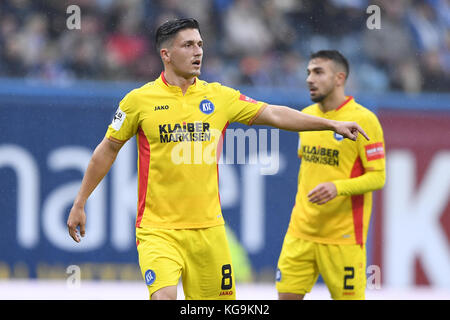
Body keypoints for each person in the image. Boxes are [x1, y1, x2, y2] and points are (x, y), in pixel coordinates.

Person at [67, 19, 368, 300]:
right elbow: (108, 149)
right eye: (188, 45)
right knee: (164, 297)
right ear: (166, 54)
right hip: (159, 230)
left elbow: (274, 113)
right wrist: (80, 201)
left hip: (209, 231)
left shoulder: (219, 97)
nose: (198, 52)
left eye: (200, 45)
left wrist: (331, 124)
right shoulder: (139, 101)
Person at [276, 50, 386, 300]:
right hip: (300, 233)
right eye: (308, 72)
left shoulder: (364, 120)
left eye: (318, 72)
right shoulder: (305, 117)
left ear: (339, 78)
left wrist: (338, 187)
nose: (309, 79)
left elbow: (378, 177)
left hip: (343, 238)